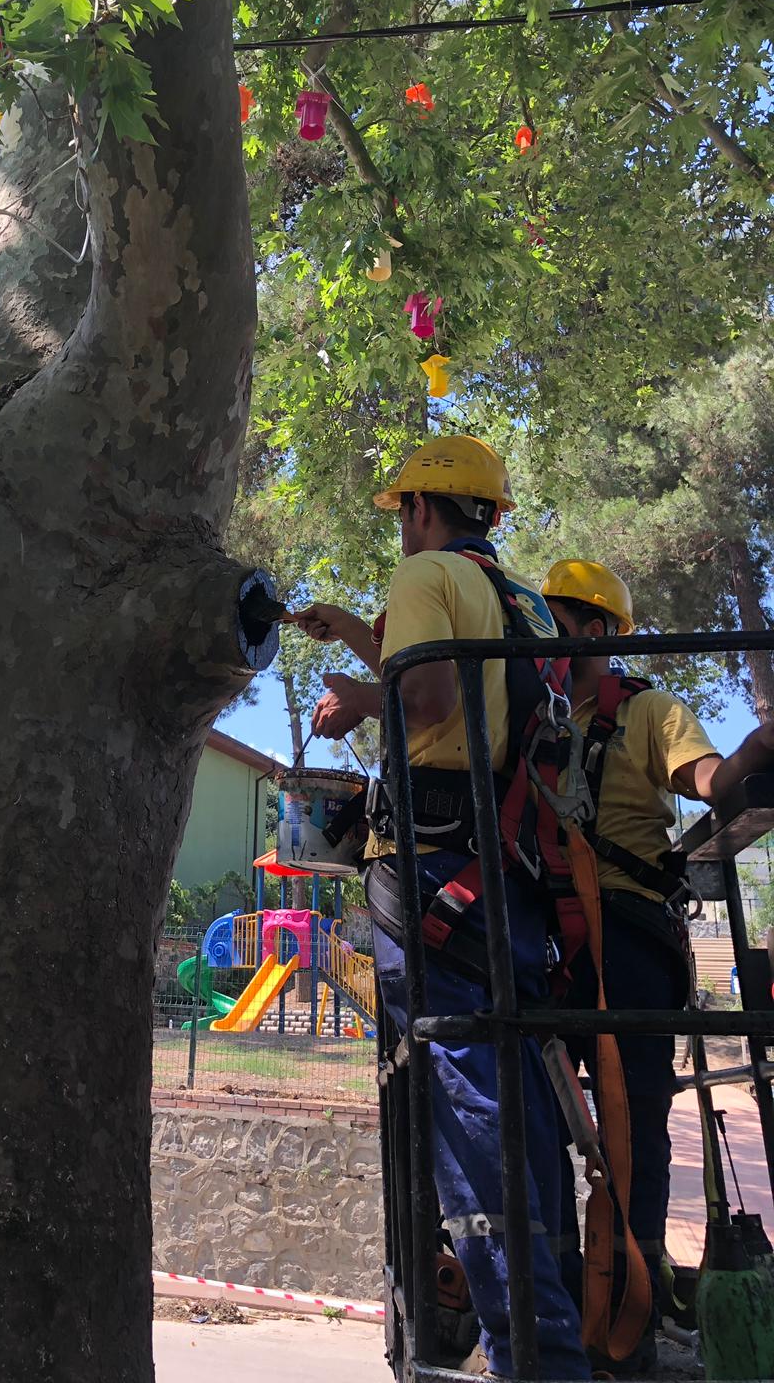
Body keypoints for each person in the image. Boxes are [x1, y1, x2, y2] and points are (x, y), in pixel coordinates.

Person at [293, 435, 590, 1382]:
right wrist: (346, 627)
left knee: (464, 1107)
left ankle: (529, 1358)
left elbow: (421, 696)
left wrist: (354, 696)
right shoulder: (525, 602)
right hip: (506, 875)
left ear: (422, 510)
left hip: (433, 871)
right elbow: (445, 679)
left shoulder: (424, 573)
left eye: (404, 514)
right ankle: (555, 1338)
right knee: (517, 1102)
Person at [541, 558, 774, 1370]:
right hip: (543, 941)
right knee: (533, 1122)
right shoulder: (522, 721)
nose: (542, 637)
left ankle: (628, 1315)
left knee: (634, 1128)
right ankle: (555, 1298)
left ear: (596, 632)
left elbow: (709, 780)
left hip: (629, 939)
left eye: (557, 622)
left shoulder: (649, 713)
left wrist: (754, 750)